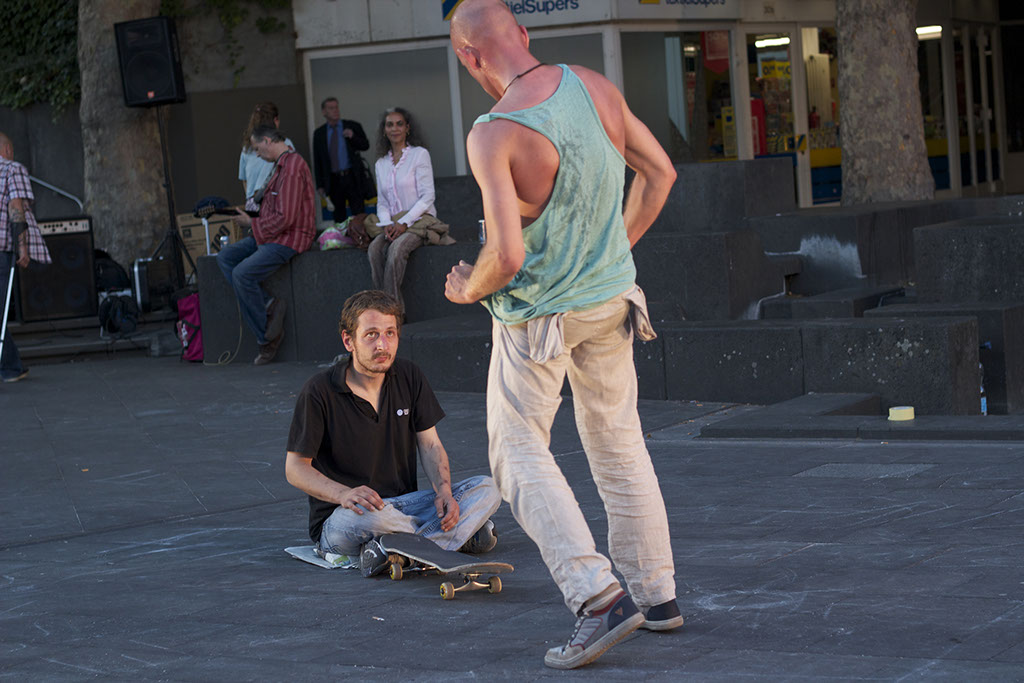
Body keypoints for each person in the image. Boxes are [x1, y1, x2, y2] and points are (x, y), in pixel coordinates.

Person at [446, 0, 680, 670]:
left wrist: (467, 287)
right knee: (619, 442)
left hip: (538, 317)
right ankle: (657, 595)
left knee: (515, 450)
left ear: (469, 56)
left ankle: (598, 596)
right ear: (523, 34)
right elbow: (661, 174)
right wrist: (607, 254)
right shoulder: (594, 86)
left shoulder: (494, 132)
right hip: (612, 302)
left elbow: (506, 257)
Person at [284, 289, 501, 577]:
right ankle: (453, 538)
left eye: (390, 333)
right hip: (349, 516)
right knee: (369, 519)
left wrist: (444, 492)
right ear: (348, 341)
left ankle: (398, 551)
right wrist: (344, 494)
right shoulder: (319, 391)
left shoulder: (409, 376)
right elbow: (295, 469)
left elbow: (431, 446)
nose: (382, 344)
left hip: (404, 507)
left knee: (489, 488)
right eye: (371, 335)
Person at [218, 126, 315, 365]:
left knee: (241, 274)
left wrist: (251, 223)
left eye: (257, 148)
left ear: (268, 141)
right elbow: (263, 201)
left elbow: (286, 218)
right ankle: (269, 304)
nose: (257, 154)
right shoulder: (278, 166)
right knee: (225, 257)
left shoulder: (292, 167)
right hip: (270, 235)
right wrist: (244, 213)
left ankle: (267, 338)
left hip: (288, 238)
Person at [363, 107, 452, 313]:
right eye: (389, 125)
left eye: (399, 124)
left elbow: (427, 196)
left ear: (408, 128)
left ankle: (392, 311)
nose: (394, 129)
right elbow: (382, 202)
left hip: (420, 220)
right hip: (393, 223)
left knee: (396, 249)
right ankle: (383, 303)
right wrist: (387, 224)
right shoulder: (381, 164)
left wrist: (404, 222)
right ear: (384, 130)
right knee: (374, 249)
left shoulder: (419, 155)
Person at [0, 132, 51, 383]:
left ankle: (11, 366)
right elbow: (16, 206)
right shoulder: (12, 169)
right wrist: (23, 247)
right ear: (7, 149)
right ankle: (10, 367)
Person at [312, 97, 370, 222]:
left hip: (352, 177)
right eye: (331, 108)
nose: (335, 110)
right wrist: (320, 185)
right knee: (339, 216)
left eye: (336, 107)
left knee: (359, 214)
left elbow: (365, 145)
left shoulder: (351, 126)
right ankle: (341, 234)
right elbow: (318, 160)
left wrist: (353, 136)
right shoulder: (319, 134)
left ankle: (361, 234)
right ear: (324, 112)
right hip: (333, 180)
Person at [238, 102, 294, 212]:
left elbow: (244, 179)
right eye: (257, 149)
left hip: (255, 204)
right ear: (275, 120)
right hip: (275, 204)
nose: (258, 154)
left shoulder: (247, 149)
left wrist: (251, 199)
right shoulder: (285, 144)